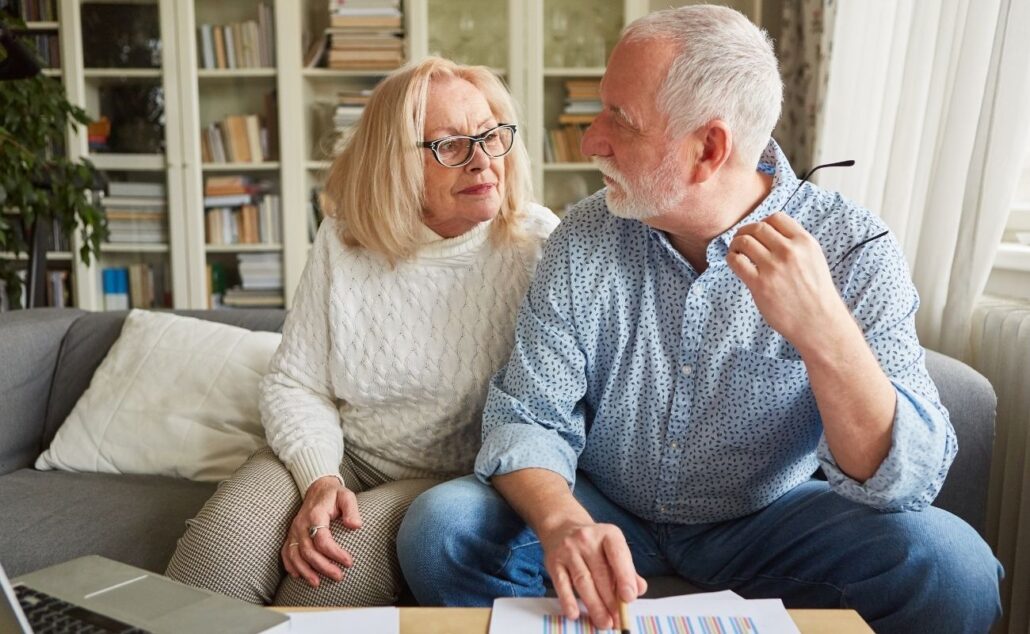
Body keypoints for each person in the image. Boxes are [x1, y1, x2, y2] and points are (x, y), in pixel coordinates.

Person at [396, 6, 1002, 633]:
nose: (590, 140)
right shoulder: (584, 237)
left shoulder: (852, 247)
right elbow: (527, 416)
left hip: (773, 519)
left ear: (709, 148)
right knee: (444, 530)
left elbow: (907, 481)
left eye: (619, 120)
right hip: (607, 507)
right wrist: (562, 522)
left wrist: (825, 334)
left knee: (953, 571)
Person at [165, 56, 558, 607]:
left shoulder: (539, 245)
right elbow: (296, 383)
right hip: (346, 454)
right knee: (217, 553)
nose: (482, 161)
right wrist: (320, 479)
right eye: (449, 145)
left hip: (451, 481)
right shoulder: (345, 237)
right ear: (395, 163)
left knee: (320, 580)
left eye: (491, 136)